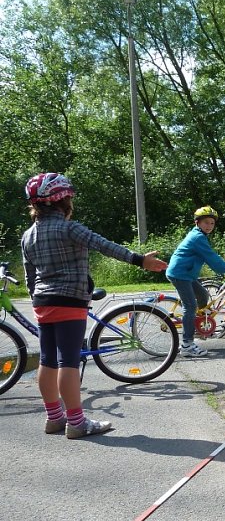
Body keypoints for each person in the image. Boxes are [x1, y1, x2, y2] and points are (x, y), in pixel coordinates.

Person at [20, 173, 167, 439]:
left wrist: (36, 298)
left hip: (43, 303)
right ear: (62, 200)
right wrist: (139, 260)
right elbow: (104, 246)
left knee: (47, 360)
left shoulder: (28, 235)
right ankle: (76, 423)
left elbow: (30, 274)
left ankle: (54, 418)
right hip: (70, 301)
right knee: (69, 361)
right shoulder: (70, 228)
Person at [166, 206, 225, 357]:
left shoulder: (199, 236)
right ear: (197, 223)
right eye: (206, 222)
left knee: (203, 295)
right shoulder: (197, 238)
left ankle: (198, 325)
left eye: (212, 223)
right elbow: (212, 258)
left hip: (186, 274)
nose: (209, 226)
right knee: (190, 306)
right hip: (180, 274)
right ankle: (187, 345)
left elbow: (211, 257)